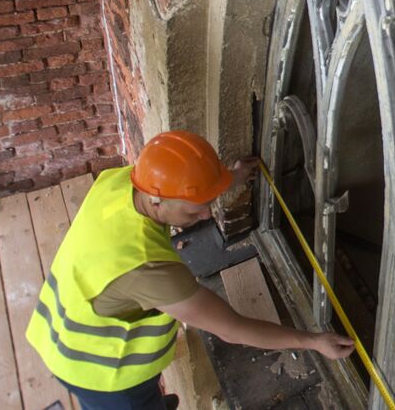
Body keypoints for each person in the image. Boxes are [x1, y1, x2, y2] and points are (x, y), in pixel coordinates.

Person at [26, 130, 354, 409]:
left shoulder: (120, 182)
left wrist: (231, 177)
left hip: (56, 326)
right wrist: (313, 342)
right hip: (102, 373)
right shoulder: (150, 270)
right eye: (195, 212)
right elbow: (232, 329)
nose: (208, 216)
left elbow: (182, 193)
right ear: (156, 200)